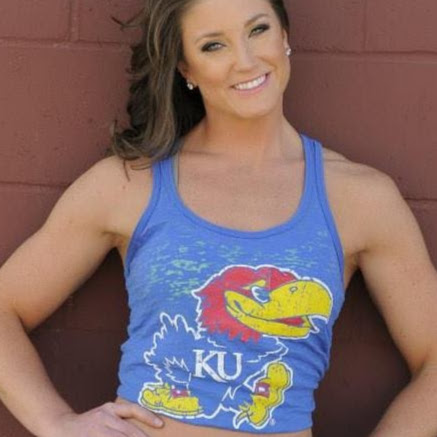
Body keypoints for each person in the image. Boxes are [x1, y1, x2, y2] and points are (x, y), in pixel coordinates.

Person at [0, 0, 436, 436]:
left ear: (285, 37)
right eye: (213, 45)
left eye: (258, 30)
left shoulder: (360, 199)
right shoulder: (129, 185)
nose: (244, 61)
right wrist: (55, 422)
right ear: (185, 68)